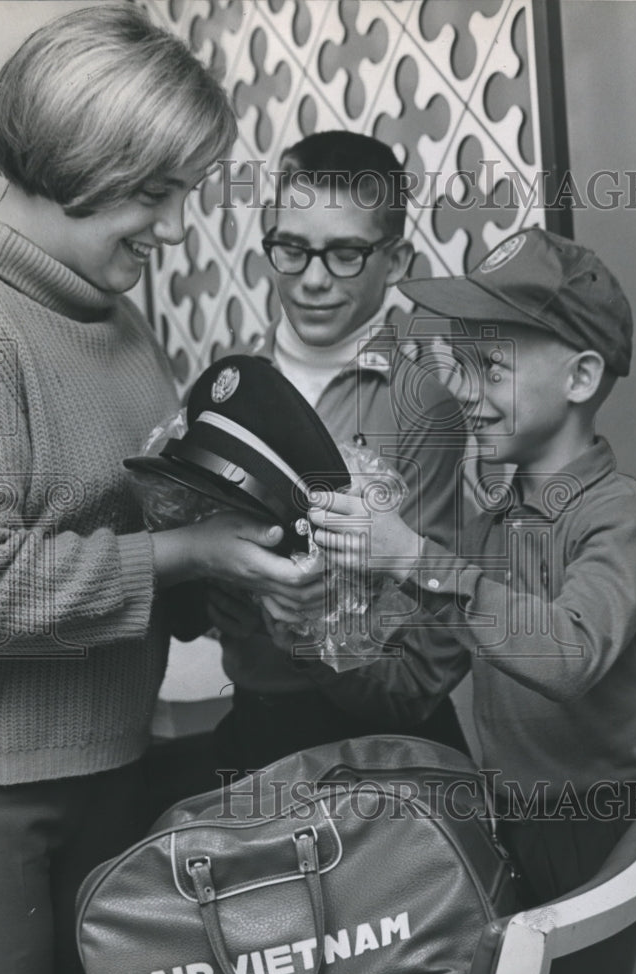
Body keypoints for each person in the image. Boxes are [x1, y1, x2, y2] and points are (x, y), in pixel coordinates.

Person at [0, 5, 321, 974]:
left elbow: (137, 554)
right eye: (153, 192)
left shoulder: (117, 321)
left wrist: (240, 577)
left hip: (116, 761)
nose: (176, 226)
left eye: (184, 190)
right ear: (72, 158)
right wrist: (190, 555)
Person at [309, 227, 636, 905]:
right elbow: (418, 672)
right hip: (508, 819)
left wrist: (414, 555)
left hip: (606, 827)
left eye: (493, 368)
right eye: (461, 366)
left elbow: (567, 657)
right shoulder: (491, 522)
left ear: (581, 377)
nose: (465, 389)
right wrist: (318, 595)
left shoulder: (623, 519)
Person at [160, 132, 469, 799]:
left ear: (396, 260)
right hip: (254, 733)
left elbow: (424, 660)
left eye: (346, 253)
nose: (313, 278)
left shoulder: (423, 407)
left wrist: (302, 620)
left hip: (382, 759)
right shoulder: (229, 388)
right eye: (292, 248)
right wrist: (204, 569)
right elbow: (185, 612)